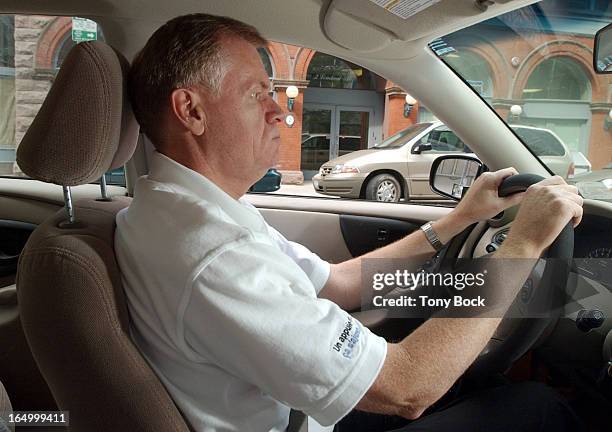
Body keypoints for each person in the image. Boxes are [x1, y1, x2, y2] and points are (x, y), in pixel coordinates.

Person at [115, 13, 584, 432]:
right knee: (535, 405)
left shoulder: (185, 211)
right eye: (257, 92)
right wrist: (522, 245)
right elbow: (407, 389)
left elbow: (337, 284)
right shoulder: (215, 252)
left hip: (298, 407)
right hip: (301, 419)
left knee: (479, 384)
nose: (278, 109)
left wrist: (460, 220)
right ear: (191, 110)